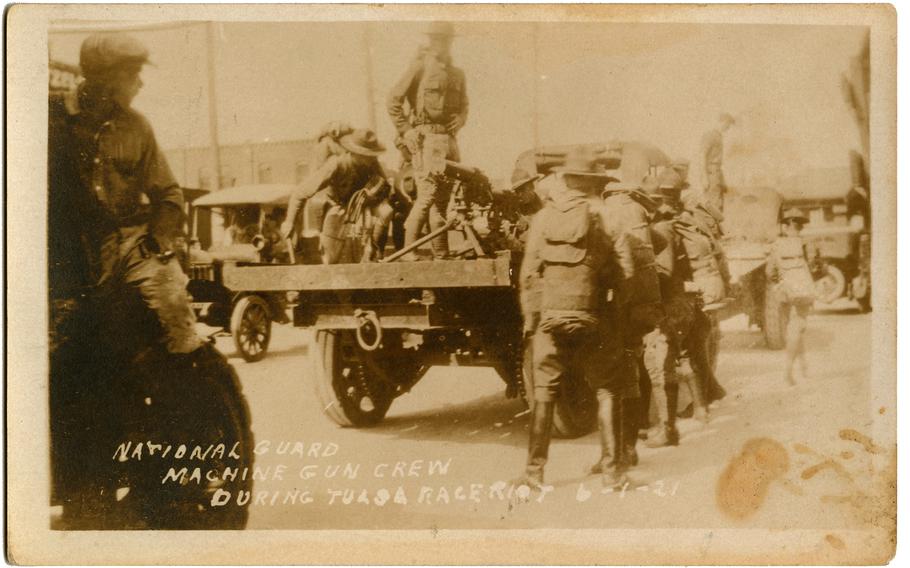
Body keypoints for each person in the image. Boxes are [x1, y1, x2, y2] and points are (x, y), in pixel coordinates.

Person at [48, 33, 247, 528]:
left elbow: (168, 193)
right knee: (57, 347)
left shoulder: (137, 128)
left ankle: (192, 451)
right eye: (131, 75)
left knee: (176, 329)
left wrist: (159, 243)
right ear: (104, 79)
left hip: (131, 243)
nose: (138, 83)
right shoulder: (51, 124)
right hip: (66, 252)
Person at [518, 148, 661, 490]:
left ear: (566, 180)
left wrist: (533, 320)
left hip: (550, 321)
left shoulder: (543, 218)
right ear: (594, 182)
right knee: (607, 390)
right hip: (596, 320)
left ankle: (534, 473)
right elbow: (626, 274)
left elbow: (527, 275)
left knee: (544, 393)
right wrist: (611, 314)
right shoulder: (607, 216)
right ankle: (613, 475)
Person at [640, 171, 711, 447]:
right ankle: (701, 410)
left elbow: (666, 269)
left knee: (659, 364)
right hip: (681, 301)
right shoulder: (672, 223)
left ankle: (666, 429)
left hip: (670, 304)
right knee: (679, 358)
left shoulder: (661, 228)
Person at [387, 21, 469, 259]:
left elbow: (465, 104)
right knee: (426, 198)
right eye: (435, 40)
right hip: (427, 139)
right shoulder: (419, 68)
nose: (440, 45)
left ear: (450, 42)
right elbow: (393, 100)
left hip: (449, 141)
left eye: (445, 40)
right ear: (430, 42)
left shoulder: (457, 74)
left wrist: (462, 118)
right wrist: (406, 130)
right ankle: (408, 252)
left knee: (441, 205)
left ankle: (441, 256)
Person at [281, 128, 394, 262]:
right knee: (330, 258)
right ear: (354, 152)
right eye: (366, 154)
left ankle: (377, 254)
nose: (371, 158)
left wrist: (376, 194)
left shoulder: (372, 163)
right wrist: (289, 221)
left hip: (364, 206)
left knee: (386, 211)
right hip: (337, 208)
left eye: (372, 155)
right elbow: (300, 193)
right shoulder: (336, 165)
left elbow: (386, 187)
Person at [766, 208, 816, 385]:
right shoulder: (806, 243)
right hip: (802, 290)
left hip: (786, 291)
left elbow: (769, 272)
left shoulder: (776, 245)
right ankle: (788, 371)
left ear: (785, 227)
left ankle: (803, 366)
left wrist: (782, 281)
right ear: (801, 227)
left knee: (795, 327)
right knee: (798, 325)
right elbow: (815, 266)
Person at [700, 112, 735, 213]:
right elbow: (702, 155)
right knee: (714, 205)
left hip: (717, 172)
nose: (728, 128)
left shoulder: (719, 136)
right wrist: (705, 177)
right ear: (722, 122)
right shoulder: (710, 135)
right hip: (711, 172)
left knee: (718, 203)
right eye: (727, 125)